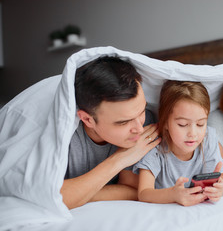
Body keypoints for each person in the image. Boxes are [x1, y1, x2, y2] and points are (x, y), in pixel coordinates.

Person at [61, 56, 161, 209]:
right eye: (123, 122)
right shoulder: (64, 134)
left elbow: (134, 191)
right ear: (88, 119)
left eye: (141, 112)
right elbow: (52, 196)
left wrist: (80, 194)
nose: (139, 129)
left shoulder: (145, 123)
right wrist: (120, 159)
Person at [133, 80, 223, 206]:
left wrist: (217, 189)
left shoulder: (208, 138)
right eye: (183, 124)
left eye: (200, 124)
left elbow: (212, 186)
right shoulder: (154, 147)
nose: (193, 133)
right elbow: (143, 193)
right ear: (165, 122)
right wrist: (173, 195)